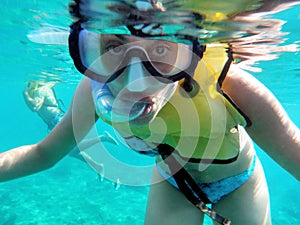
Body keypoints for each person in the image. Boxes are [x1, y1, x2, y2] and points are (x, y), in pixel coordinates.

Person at [1, 1, 300, 225]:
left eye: (161, 51)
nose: (136, 81)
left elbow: (295, 152)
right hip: (172, 184)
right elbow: (44, 154)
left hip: (240, 183)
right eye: (114, 47)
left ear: (190, 53)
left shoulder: (229, 85)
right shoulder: (91, 91)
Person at [23, 80, 118, 180]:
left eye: (30, 84)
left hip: (57, 121)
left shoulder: (42, 90)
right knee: (71, 150)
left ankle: (102, 143)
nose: (29, 86)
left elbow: (34, 107)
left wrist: (25, 94)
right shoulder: (43, 89)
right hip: (55, 122)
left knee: (71, 149)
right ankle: (98, 163)